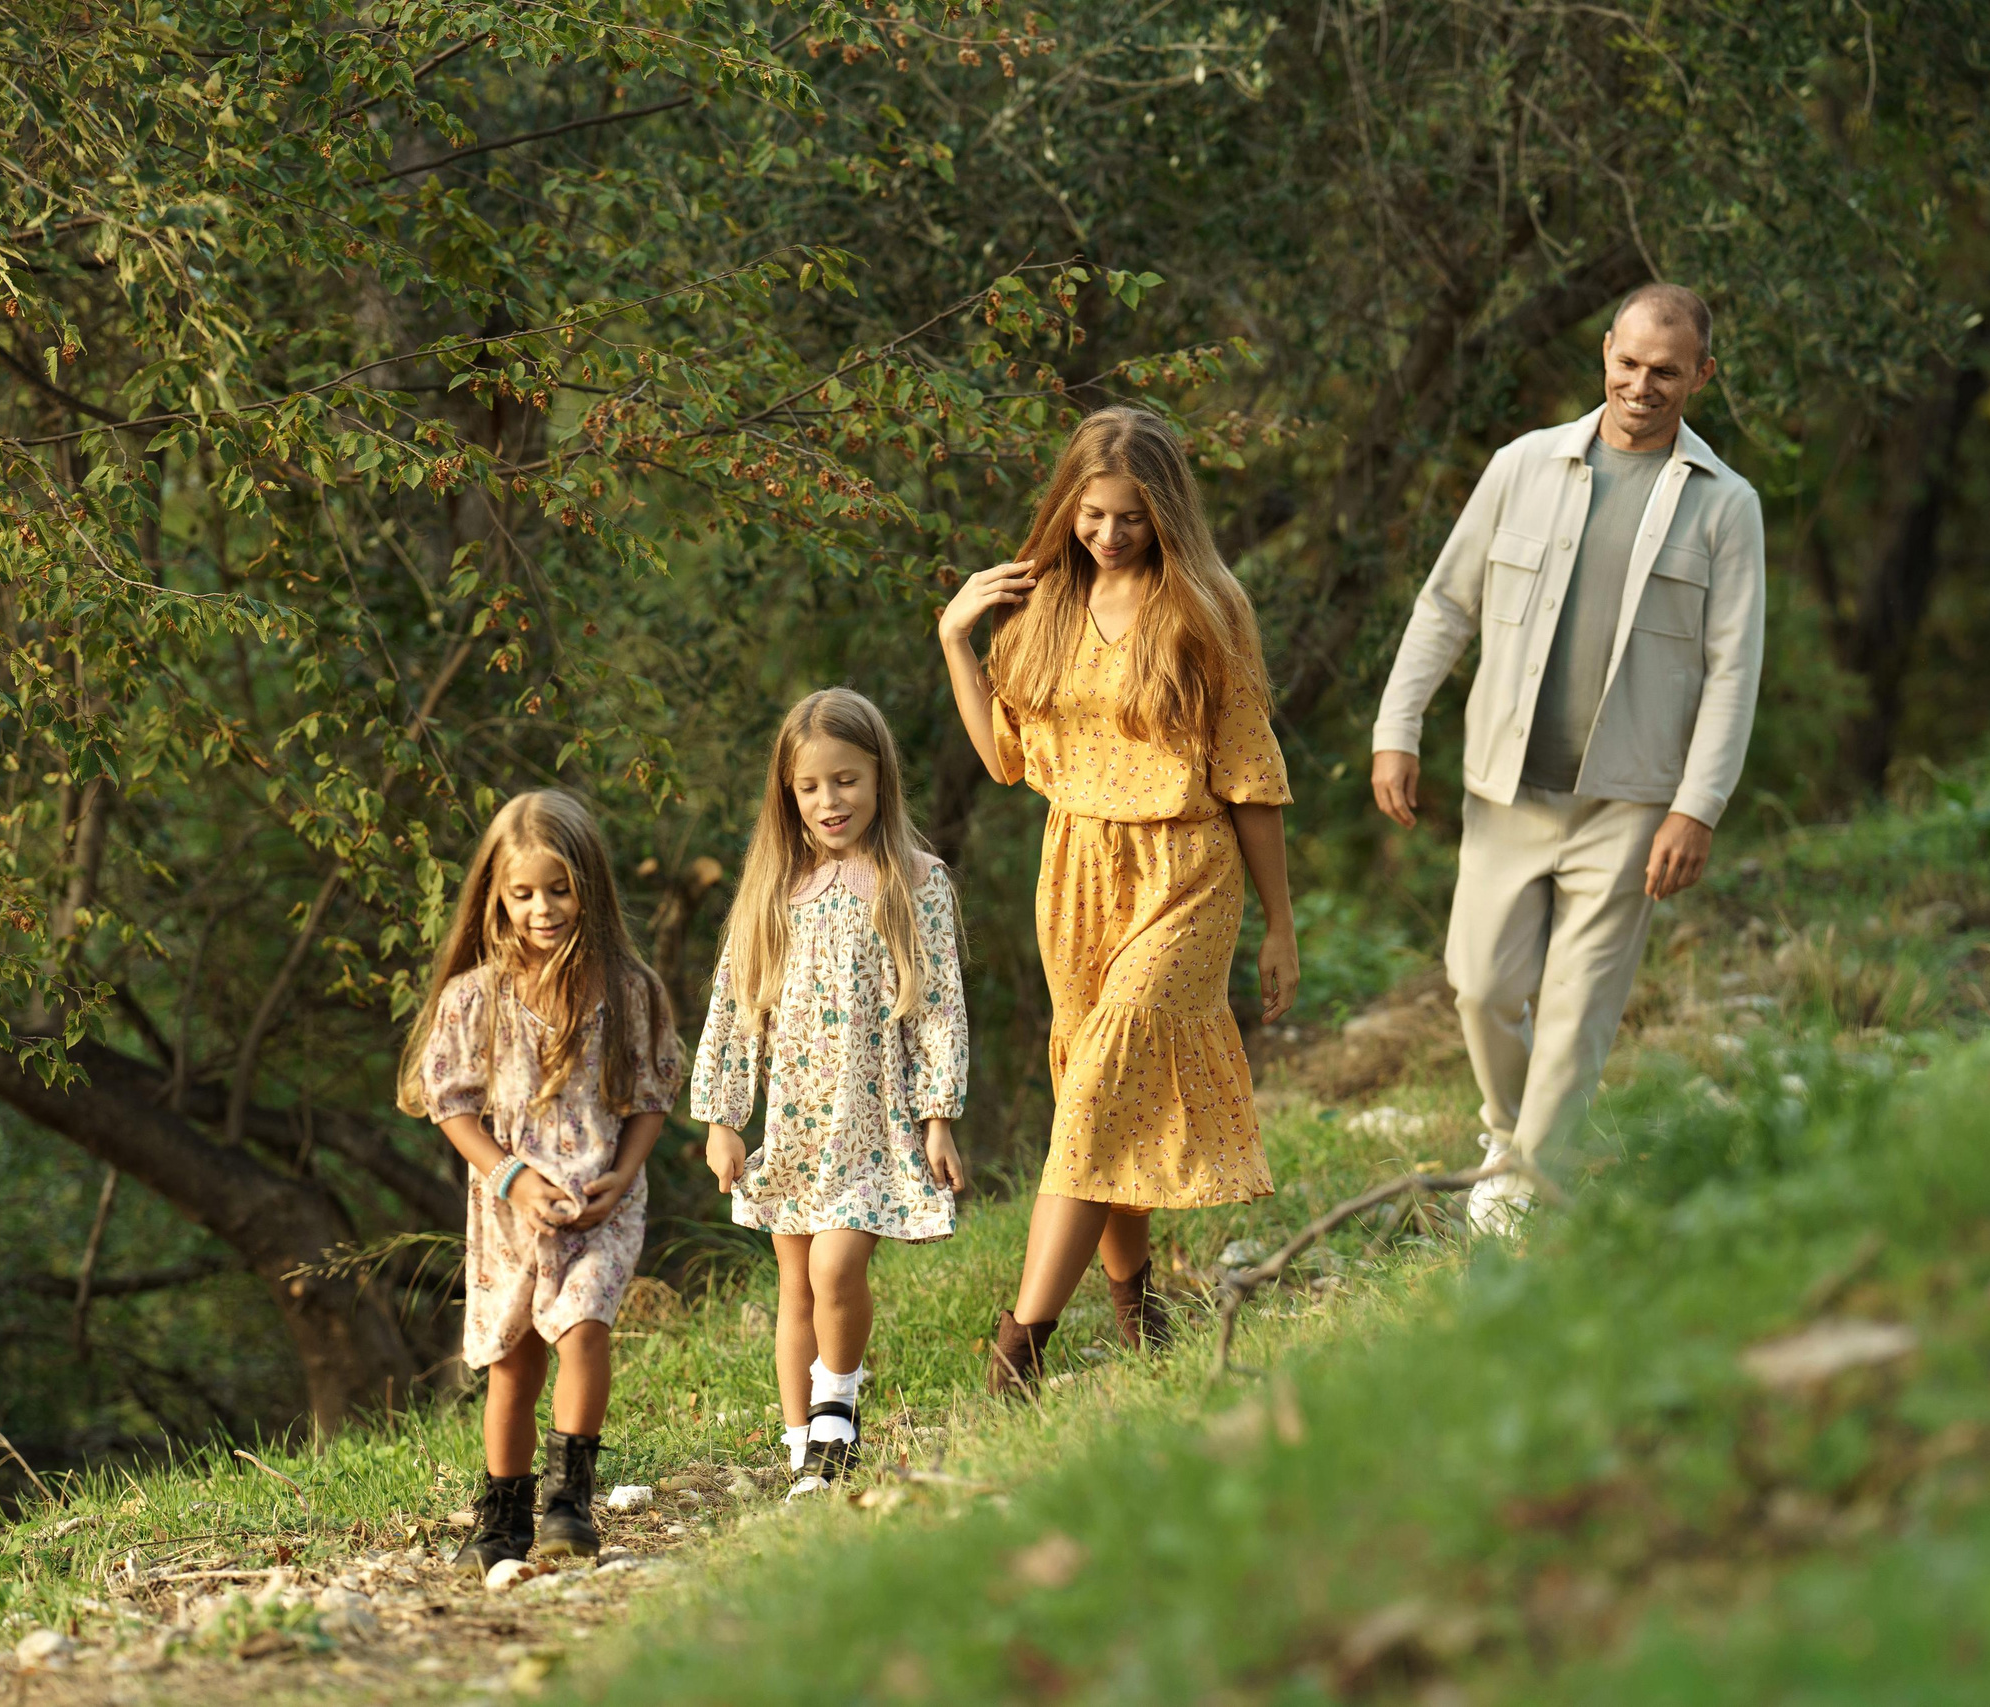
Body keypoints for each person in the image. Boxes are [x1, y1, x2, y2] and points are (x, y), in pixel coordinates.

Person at [1369, 282, 1765, 1232]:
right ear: (1605, 353)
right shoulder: (1523, 466)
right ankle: (1509, 1137)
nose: (1641, 385)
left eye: (1666, 371)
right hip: (1508, 789)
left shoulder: (1726, 505)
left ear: (1701, 376)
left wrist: (1697, 807)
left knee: (1580, 1008)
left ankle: (1528, 1196)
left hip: (1631, 803)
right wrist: (1398, 725)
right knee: (1481, 985)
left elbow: (1734, 668)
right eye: (1628, 363)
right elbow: (1446, 604)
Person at [939, 405, 1297, 1393]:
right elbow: (1004, 760)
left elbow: (1250, 776)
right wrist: (955, 638)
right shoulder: (1042, 609)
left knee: (1103, 1085)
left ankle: (1020, 1348)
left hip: (1186, 871)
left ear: (1165, 512)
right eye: (1091, 514)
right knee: (1099, 1087)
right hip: (1077, 872)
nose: (1107, 534)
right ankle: (1136, 1302)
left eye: (1130, 518)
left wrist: (1280, 926)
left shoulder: (1207, 609)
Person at [692, 688, 968, 1494]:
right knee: (796, 1284)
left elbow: (939, 1005)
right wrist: (723, 1118)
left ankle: (837, 1417)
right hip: (797, 1122)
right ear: (788, 792)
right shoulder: (773, 890)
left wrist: (938, 1116)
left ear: (880, 776)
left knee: (836, 1268)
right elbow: (735, 1007)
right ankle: (801, 1451)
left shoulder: (915, 880)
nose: (829, 801)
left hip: (874, 1122)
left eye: (846, 780)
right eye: (810, 786)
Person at [397, 790, 681, 1571]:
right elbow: (450, 1104)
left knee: (585, 1327)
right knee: (513, 1362)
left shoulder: (628, 989)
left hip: (598, 1203)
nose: (543, 908)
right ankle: (502, 1518)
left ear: (591, 883)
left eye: (560, 888)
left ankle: (568, 1505)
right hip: (511, 1213)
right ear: (496, 894)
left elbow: (652, 1094)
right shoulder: (475, 997)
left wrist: (623, 1174)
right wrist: (512, 1178)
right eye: (523, 893)